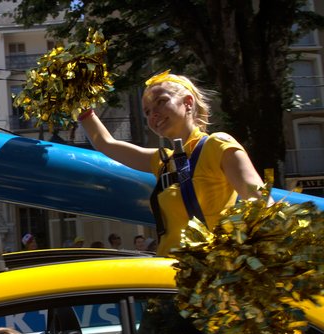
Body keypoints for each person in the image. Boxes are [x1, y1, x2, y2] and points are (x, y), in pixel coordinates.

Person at [79, 70, 265, 256]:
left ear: (188, 103)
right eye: (147, 112)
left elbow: (261, 204)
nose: (154, 115)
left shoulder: (217, 144)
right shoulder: (163, 161)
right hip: (169, 273)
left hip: (208, 274)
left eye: (161, 102)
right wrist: (79, 100)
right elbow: (106, 144)